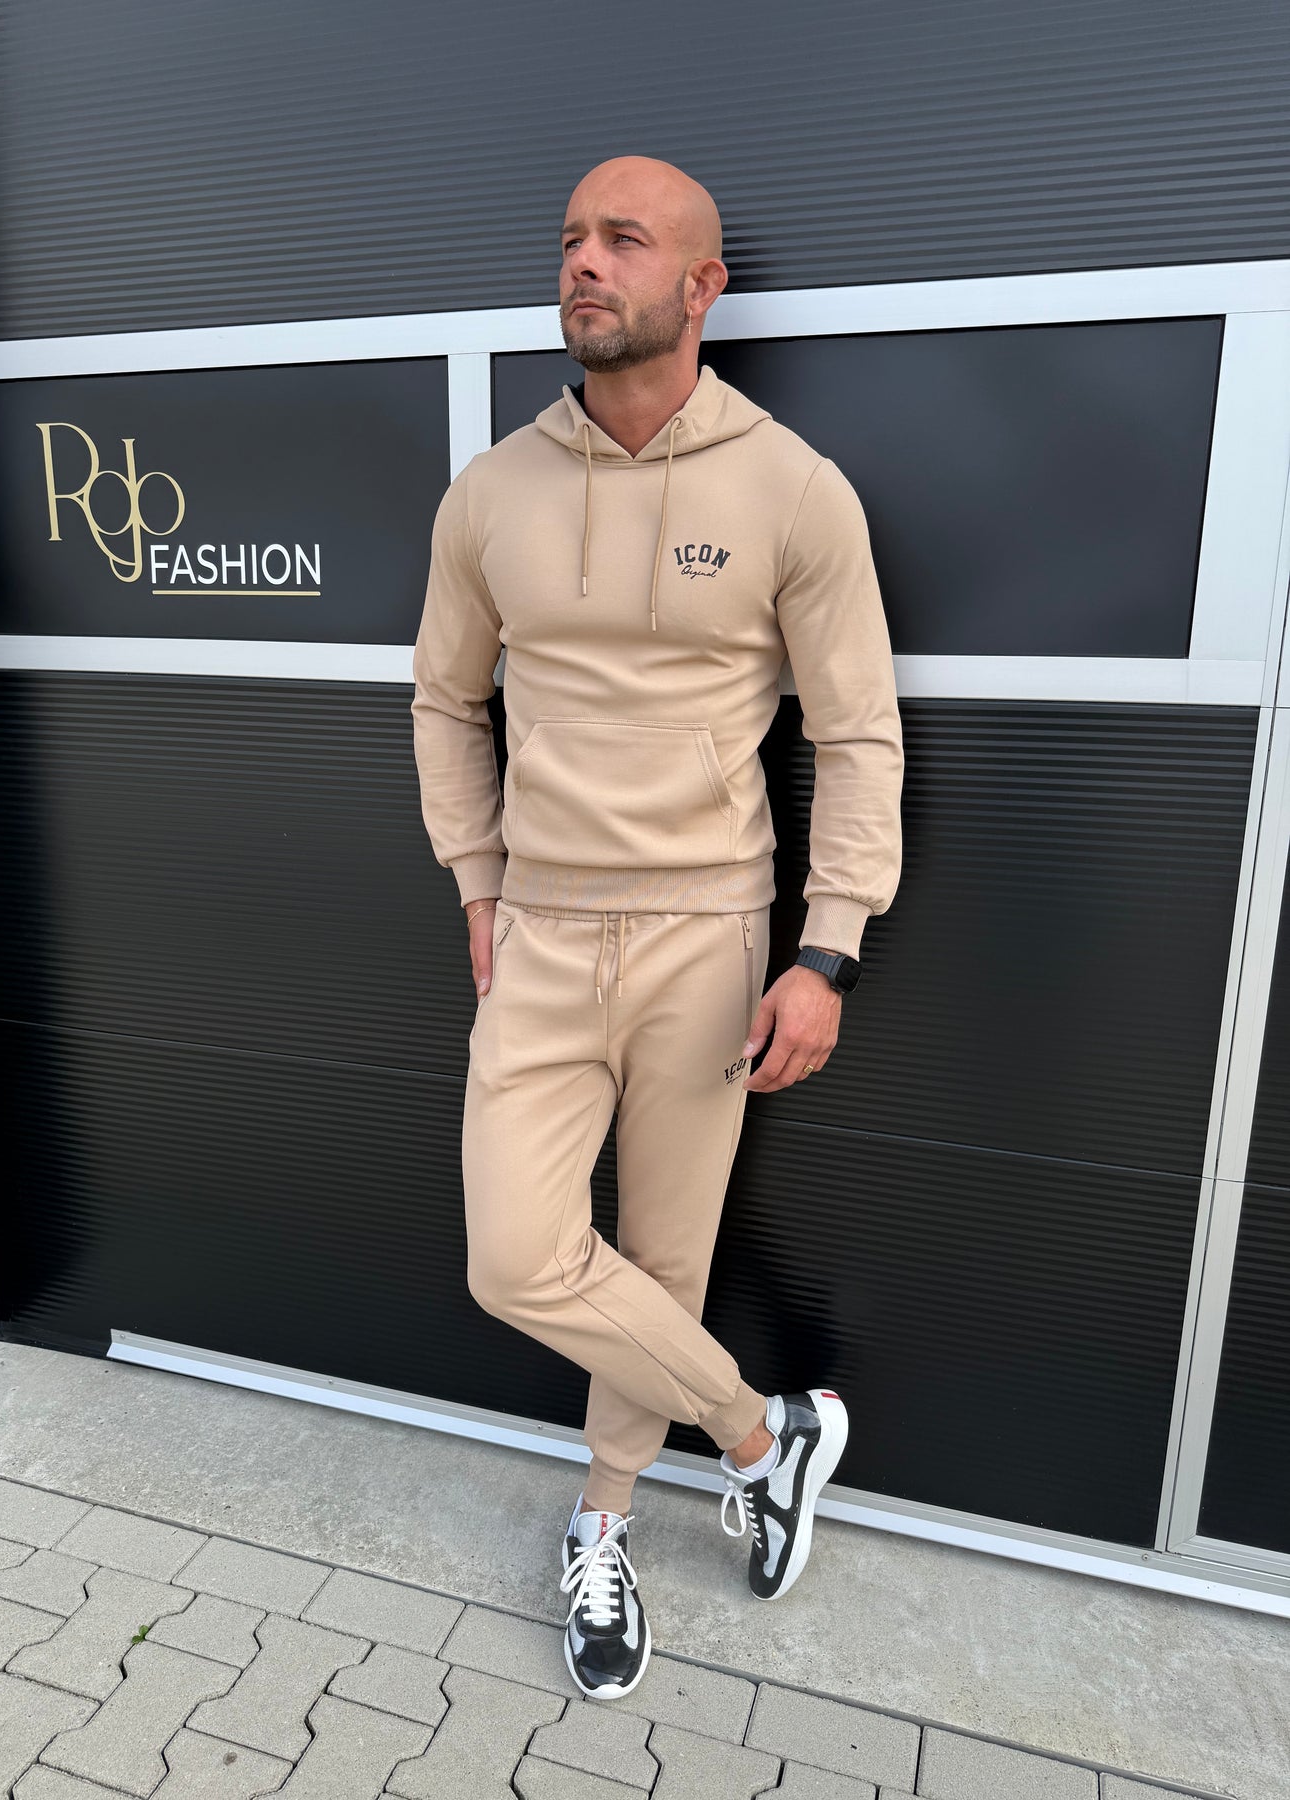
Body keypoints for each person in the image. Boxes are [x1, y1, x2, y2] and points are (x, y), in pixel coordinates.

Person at [411, 154, 904, 1700]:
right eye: (570, 238)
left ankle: (606, 1521)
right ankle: (764, 1438)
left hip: (709, 932)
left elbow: (856, 731)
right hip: (542, 930)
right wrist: (476, 879)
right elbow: (444, 699)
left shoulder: (792, 488)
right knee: (516, 1257)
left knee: (665, 1259)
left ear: (701, 287)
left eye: (621, 241)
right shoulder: (493, 490)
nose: (583, 263)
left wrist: (826, 948)